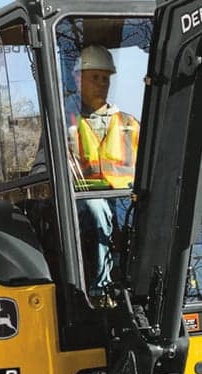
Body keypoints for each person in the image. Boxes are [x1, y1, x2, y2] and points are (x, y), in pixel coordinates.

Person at [66, 45, 140, 308]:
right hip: (83, 199)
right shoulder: (65, 120)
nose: (101, 84)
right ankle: (100, 291)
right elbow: (44, 166)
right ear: (78, 79)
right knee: (97, 211)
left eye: (105, 78)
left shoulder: (128, 123)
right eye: (94, 77)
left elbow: (148, 164)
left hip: (124, 196)